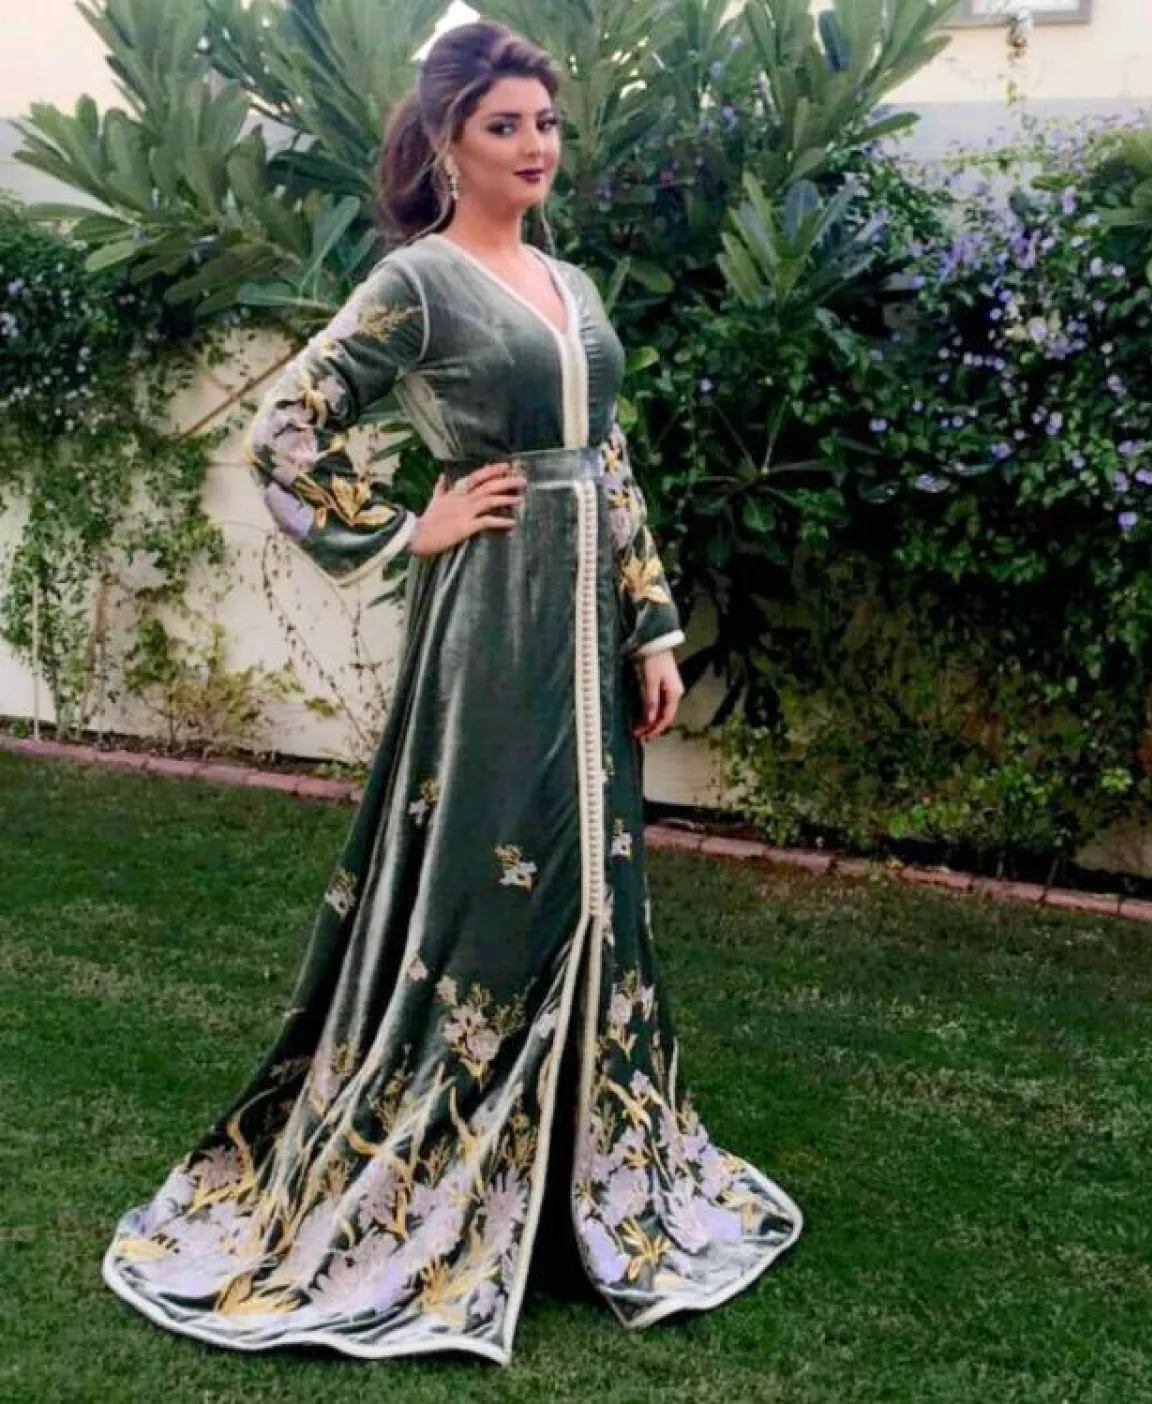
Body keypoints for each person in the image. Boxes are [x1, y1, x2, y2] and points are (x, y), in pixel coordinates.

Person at [100, 19, 803, 1366]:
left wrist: (654, 626)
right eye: (505, 126)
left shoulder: (569, 282)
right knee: (493, 870)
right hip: (492, 624)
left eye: (547, 124)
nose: (536, 146)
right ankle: (447, 1158)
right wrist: (400, 527)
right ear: (446, 142)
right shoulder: (418, 281)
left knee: (594, 873)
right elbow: (286, 426)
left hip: (589, 631)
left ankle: (578, 1170)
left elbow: (607, 460)